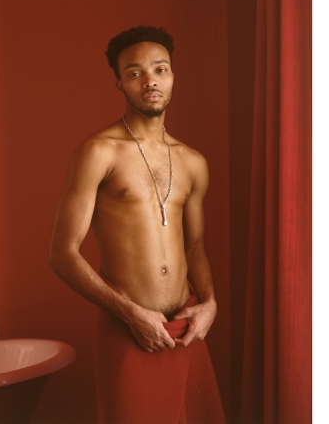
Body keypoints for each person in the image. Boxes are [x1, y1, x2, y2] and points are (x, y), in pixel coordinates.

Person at [48, 26, 225, 424]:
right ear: (119, 83)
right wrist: (131, 314)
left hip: (186, 326)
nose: (150, 80)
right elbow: (61, 255)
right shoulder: (98, 151)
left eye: (160, 69)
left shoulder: (193, 161)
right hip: (129, 329)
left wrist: (209, 303)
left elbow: (195, 246)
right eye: (135, 72)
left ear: (173, 76)